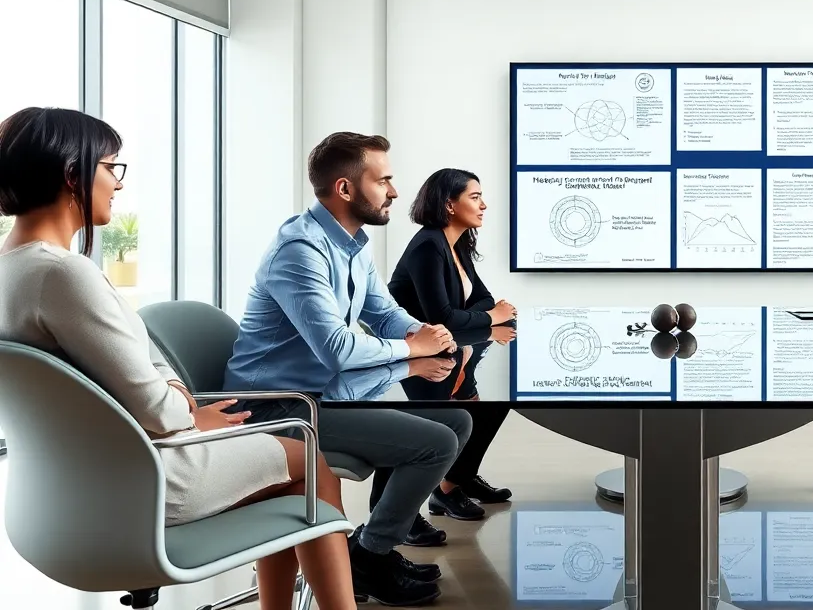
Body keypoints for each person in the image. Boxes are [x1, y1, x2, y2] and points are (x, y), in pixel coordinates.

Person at [0, 108, 358, 610]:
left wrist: (175, 399)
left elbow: (138, 367)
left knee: (281, 465)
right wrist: (192, 413)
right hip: (150, 479)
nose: (117, 185)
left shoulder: (10, 271)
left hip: (61, 495)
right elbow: (160, 410)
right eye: (111, 167)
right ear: (71, 172)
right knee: (310, 459)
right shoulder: (64, 275)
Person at [225, 132, 473, 607]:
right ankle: (370, 555)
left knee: (458, 420)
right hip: (280, 408)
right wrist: (408, 348)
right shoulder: (301, 250)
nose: (395, 192)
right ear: (345, 189)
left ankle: (367, 550)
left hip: (321, 394)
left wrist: (426, 332)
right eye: (384, 181)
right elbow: (337, 349)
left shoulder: (353, 243)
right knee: (436, 442)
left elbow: (383, 313)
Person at [380, 168, 518, 522]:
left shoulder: (457, 244)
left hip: (451, 348)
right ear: (449, 204)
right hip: (415, 356)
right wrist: (491, 317)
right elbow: (443, 316)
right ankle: (401, 514)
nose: (484, 204)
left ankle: (455, 483)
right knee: (432, 428)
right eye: (475, 197)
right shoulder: (429, 245)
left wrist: (484, 314)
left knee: (492, 407)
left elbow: (482, 299)